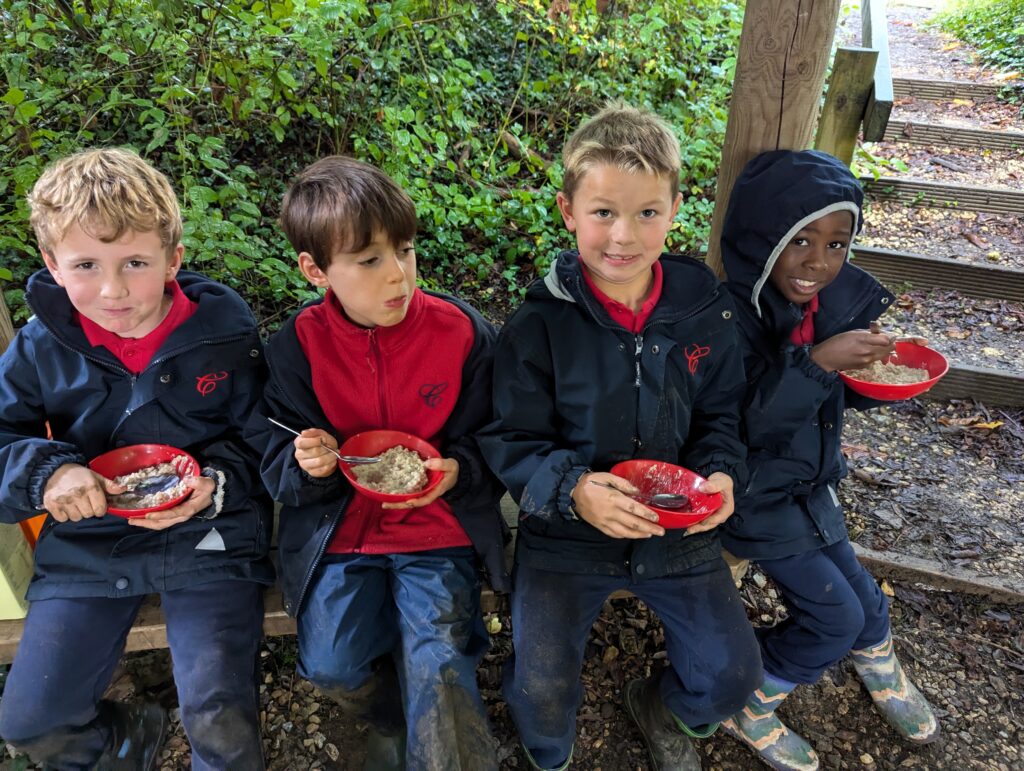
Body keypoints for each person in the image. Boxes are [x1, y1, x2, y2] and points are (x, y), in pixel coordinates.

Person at [478, 102, 762, 771]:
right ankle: (548, 750)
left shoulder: (705, 311)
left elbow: (723, 415)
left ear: (675, 207)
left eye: (646, 212)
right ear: (567, 209)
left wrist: (720, 475)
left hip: (676, 525)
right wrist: (572, 490)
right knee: (539, 693)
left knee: (731, 677)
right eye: (603, 211)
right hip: (567, 531)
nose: (622, 236)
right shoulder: (539, 324)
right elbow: (509, 436)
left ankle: (662, 704)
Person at [0, 148, 273, 770]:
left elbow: (263, 438)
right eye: (87, 265)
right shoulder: (41, 347)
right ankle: (121, 745)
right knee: (30, 722)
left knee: (219, 709)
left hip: (209, 533)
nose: (113, 289)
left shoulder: (224, 333)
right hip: (91, 538)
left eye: (136, 264)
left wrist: (215, 481)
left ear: (174, 259)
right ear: (52, 264)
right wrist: (50, 471)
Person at [248, 155, 509, 771]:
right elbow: (272, 449)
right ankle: (388, 716)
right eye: (368, 261)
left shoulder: (461, 332)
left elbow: (500, 435)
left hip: (436, 525)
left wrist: (459, 471)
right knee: (330, 666)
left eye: (406, 250)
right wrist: (305, 464)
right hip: (340, 531)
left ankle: (432, 731)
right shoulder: (297, 349)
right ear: (316, 270)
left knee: (440, 662)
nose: (398, 275)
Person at [718, 149, 941, 771]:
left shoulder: (818, 308)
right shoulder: (727, 322)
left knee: (866, 600)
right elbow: (747, 425)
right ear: (762, 240)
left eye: (838, 244)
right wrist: (819, 364)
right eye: (801, 242)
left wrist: (864, 377)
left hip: (809, 487)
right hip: (754, 496)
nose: (820, 263)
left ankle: (882, 669)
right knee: (835, 618)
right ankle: (749, 698)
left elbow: (821, 403)